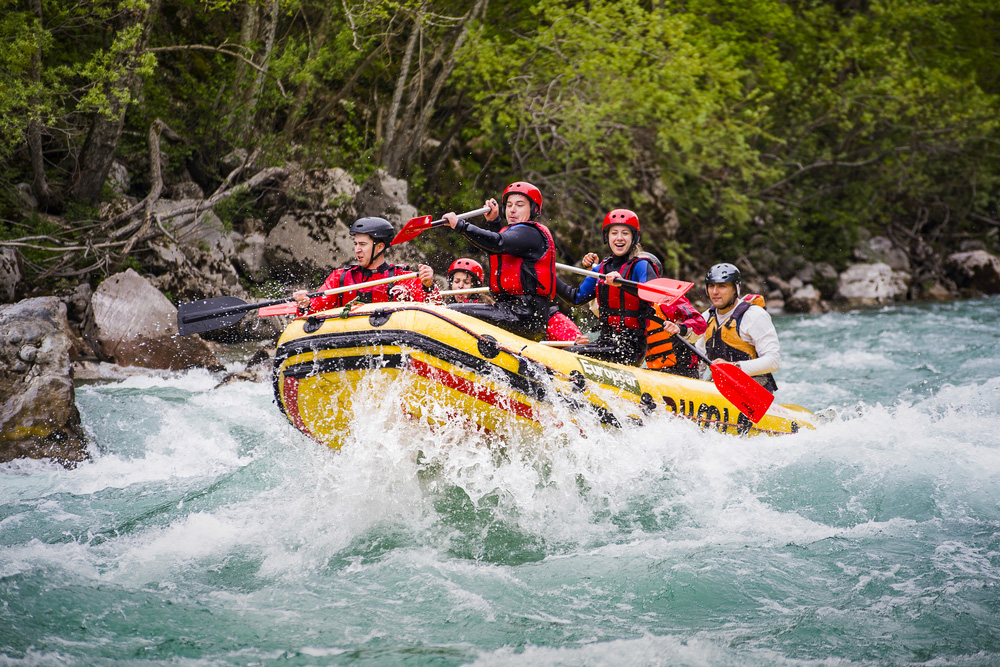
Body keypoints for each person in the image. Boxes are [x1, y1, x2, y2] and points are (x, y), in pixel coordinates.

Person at [442, 181, 556, 341]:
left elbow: (498, 243)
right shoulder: (515, 234)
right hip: (509, 310)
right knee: (450, 310)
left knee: (450, 312)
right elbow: (502, 251)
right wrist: (494, 222)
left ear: (534, 209)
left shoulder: (531, 233)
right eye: (509, 205)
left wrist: (460, 225)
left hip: (526, 316)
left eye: (519, 205)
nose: (512, 210)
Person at [556, 209, 659, 365]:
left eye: (625, 233)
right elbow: (575, 298)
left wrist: (623, 284)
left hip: (630, 348)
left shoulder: (642, 265)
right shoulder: (601, 269)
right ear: (607, 237)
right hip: (604, 342)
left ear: (634, 237)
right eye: (614, 233)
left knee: (566, 355)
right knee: (565, 352)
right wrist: (548, 276)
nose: (619, 238)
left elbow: (653, 294)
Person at [293, 217, 438, 314]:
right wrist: (305, 304)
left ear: (380, 247)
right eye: (355, 244)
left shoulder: (401, 278)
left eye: (363, 244)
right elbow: (316, 309)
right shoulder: (340, 278)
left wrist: (428, 285)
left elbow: (433, 308)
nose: (357, 249)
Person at [696, 262, 779, 392]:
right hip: (720, 384)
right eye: (711, 286)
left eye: (722, 286)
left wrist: (734, 366)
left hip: (753, 387)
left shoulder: (754, 315)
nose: (715, 292)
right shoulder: (706, 317)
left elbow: (773, 361)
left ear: (735, 289)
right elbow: (699, 363)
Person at [639, 252, 708, 377]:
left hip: (682, 370)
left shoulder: (667, 299)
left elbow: (700, 323)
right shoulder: (633, 306)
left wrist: (679, 328)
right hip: (656, 372)